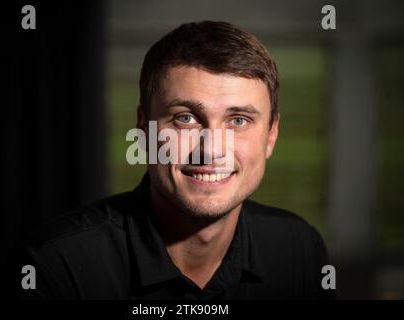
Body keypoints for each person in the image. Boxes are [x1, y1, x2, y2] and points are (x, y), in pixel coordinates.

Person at [18, 21, 333, 299]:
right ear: (144, 127)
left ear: (271, 135)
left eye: (238, 120)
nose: (211, 150)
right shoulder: (57, 267)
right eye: (185, 118)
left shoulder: (300, 250)